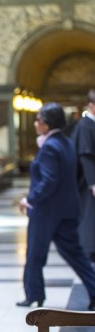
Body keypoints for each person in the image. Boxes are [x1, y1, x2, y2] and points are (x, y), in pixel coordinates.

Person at [17, 102, 95, 310]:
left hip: (46, 212)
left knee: (35, 255)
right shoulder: (66, 142)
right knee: (75, 254)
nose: (35, 123)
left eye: (38, 120)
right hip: (68, 209)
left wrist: (30, 199)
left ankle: (34, 295)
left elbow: (49, 180)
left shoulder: (50, 147)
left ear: (46, 123)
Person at [71, 89, 95, 262]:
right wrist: (93, 183)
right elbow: (85, 155)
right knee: (89, 214)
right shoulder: (85, 125)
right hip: (87, 181)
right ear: (91, 106)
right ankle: (89, 248)